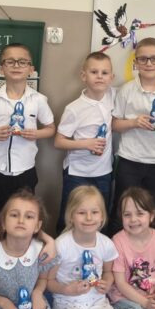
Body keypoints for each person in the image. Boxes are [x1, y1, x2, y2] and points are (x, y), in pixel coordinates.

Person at [47, 186, 131, 309]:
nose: (89, 218)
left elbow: (108, 272)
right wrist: (66, 290)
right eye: (81, 212)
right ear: (71, 216)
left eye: (94, 212)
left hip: (97, 301)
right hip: (68, 302)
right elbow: (49, 281)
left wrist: (107, 283)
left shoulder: (106, 244)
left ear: (102, 217)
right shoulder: (61, 245)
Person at [0, 43, 55, 214]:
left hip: (25, 170)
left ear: (31, 69)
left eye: (22, 62)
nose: (16, 65)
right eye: (10, 61)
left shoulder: (38, 100)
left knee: (21, 216)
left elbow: (50, 128)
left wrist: (36, 134)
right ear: (1, 69)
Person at [110, 37, 155, 233]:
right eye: (143, 59)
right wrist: (134, 122)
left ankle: (147, 251)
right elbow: (114, 124)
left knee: (151, 213)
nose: (149, 63)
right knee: (122, 211)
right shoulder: (126, 90)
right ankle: (116, 251)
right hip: (129, 160)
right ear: (136, 62)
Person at [54, 51, 115, 224]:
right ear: (83, 76)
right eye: (94, 72)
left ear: (111, 77)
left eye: (104, 73)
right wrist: (86, 144)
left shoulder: (113, 96)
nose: (100, 76)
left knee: (100, 218)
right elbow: (58, 142)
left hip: (103, 172)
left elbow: (139, 85)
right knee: (70, 218)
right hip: (77, 173)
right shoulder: (74, 108)